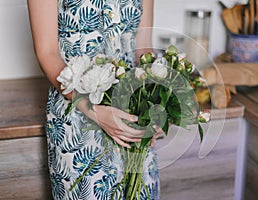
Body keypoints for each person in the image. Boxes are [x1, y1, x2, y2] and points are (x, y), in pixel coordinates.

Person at [27, 0, 160, 199]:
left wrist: (155, 104)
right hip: (77, 122)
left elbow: (143, 50)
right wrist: (94, 110)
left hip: (132, 118)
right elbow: (47, 54)